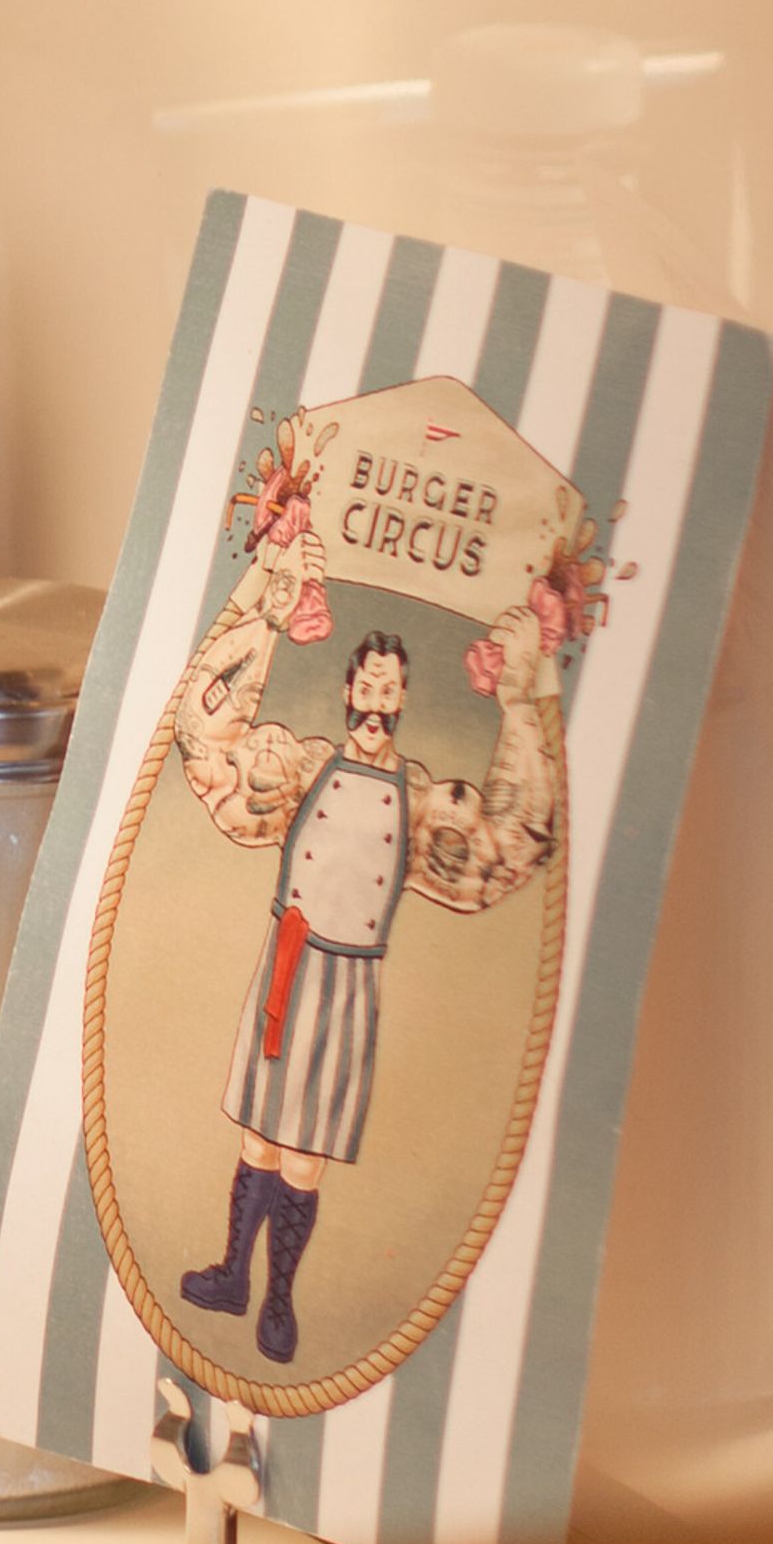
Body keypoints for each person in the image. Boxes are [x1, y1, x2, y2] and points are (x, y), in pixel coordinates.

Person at [168, 541, 564, 1371]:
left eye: (391, 690)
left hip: (348, 987)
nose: (376, 702)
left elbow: (515, 846)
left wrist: (524, 700)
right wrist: (267, 615)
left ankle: (279, 1298)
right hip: (288, 965)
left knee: (305, 1154)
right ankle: (234, 1274)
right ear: (349, 690)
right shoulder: (301, 766)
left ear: (405, 699)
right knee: (258, 1141)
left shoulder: (423, 807)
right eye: (367, 686)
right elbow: (203, 738)